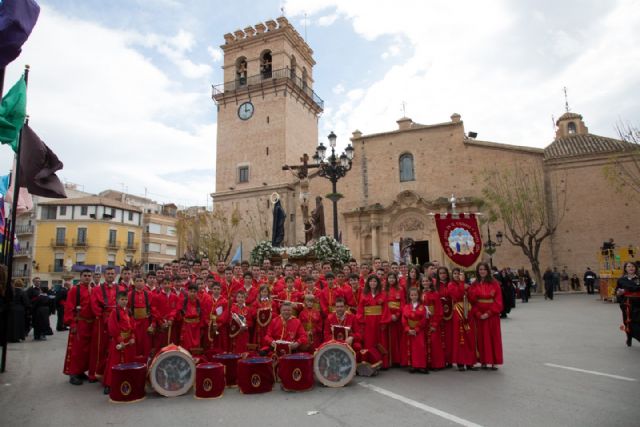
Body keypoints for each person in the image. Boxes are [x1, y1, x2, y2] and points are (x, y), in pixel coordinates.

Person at [468, 262, 503, 370]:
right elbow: (471, 301)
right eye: (480, 269)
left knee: (493, 338)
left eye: (484, 269)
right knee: (481, 339)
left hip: (491, 316)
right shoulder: (474, 284)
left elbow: (498, 301)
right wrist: (478, 313)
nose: (482, 271)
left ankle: (493, 361)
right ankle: (483, 360)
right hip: (479, 316)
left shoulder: (494, 283)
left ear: (487, 271)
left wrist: (489, 313)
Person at [63, 270, 94, 385]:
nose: (87, 278)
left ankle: (81, 371)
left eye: (89, 276)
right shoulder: (74, 290)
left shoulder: (93, 289)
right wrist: (72, 323)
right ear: (80, 277)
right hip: (79, 323)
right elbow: (69, 308)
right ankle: (73, 373)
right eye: (85, 276)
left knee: (86, 350)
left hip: (91, 324)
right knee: (76, 350)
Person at [103, 291, 136, 395]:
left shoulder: (129, 311)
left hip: (128, 341)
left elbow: (133, 326)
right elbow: (112, 328)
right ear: (117, 300)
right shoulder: (114, 312)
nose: (124, 301)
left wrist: (132, 337)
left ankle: (126, 383)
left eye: (126, 299)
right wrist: (120, 340)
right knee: (114, 362)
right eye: (122, 299)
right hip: (118, 341)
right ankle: (109, 384)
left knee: (128, 361)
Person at [357, 275, 391, 369]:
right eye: (371, 281)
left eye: (375, 281)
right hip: (368, 321)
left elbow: (385, 309)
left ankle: (383, 363)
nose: (373, 283)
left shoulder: (383, 294)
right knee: (369, 342)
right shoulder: (364, 294)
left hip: (379, 321)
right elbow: (360, 309)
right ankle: (370, 362)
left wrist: (384, 321)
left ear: (378, 283)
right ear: (368, 283)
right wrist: (361, 320)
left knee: (381, 342)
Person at [448, 268, 477, 371]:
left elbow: (473, 298)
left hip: (468, 311)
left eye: (459, 274)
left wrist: (468, 289)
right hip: (458, 311)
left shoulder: (466, 284)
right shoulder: (451, 285)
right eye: (455, 273)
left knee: (470, 335)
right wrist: (461, 284)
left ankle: (470, 362)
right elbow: (457, 295)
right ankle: (460, 362)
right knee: (460, 336)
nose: (457, 275)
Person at [420, 276, 445, 370]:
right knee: (425, 341)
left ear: (430, 282)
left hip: (432, 319)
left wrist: (435, 323)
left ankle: (437, 364)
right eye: (423, 281)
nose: (425, 282)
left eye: (427, 281)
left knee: (434, 342)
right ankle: (426, 363)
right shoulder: (420, 293)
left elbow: (439, 310)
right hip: (423, 320)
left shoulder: (435, 294)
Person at [402, 287, 428, 373]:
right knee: (410, 348)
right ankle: (412, 365)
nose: (414, 296)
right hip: (409, 330)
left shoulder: (422, 307)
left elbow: (423, 319)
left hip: (419, 330)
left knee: (420, 347)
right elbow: (404, 319)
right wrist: (407, 329)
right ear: (409, 296)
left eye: (415, 295)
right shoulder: (406, 306)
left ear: (418, 295)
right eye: (412, 295)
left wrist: (416, 329)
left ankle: (421, 366)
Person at [615, 262, 640, 347]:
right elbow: (617, 291)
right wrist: (619, 294)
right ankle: (629, 338)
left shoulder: (639, 278)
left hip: (639, 303)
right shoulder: (621, 280)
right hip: (627, 304)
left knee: (637, 322)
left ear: (636, 268)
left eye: (633, 266)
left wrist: (627, 289)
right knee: (627, 322)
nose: (631, 268)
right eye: (628, 266)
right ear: (625, 268)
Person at [128, 276, 154, 359]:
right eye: (137, 281)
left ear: (144, 282)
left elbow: (152, 308)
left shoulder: (149, 294)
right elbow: (127, 308)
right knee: (135, 341)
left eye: (141, 280)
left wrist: (151, 321)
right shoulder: (130, 294)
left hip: (145, 322)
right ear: (134, 282)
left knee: (146, 341)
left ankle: (145, 359)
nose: (139, 282)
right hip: (134, 321)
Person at [385, 272, 405, 366]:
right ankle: (391, 359)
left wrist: (397, 315)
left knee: (399, 338)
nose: (391, 280)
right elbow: (384, 304)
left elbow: (402, 303)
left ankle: (398, 360)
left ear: (396, 279)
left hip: (398, 317)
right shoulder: (384, 290)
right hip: (388, 317)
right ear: (387, 279)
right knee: (390, 338)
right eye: (390, 278)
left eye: (393, 278)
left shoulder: (400, 289)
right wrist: (389, 315)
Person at [179, 284, 203, 352]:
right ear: (188, 292)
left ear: (197, 293)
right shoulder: (184, 301)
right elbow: (179, 314)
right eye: (191, 291)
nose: (193, 293)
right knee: (186, 344)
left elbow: (202, 315)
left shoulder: (199, 302)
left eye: (194, 292)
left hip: (196, 327)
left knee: (196, 344)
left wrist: (201, 326)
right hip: (187, 326)